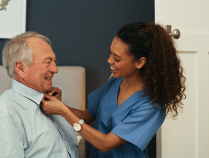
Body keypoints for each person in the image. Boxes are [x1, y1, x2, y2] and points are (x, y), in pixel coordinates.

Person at [41, 22, 186, 158]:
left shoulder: (151, 106)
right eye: (110, 53)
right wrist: (60, 104)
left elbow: (106, 144)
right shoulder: (115, 82)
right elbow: (86, 116)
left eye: (116, 59)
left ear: (140, 62)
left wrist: (62, 111)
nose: (109, 61)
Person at [0, 31, 79, 158]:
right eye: (47, 62)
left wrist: (63, 110)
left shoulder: (54, 103)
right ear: (21, 68)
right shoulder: (6, 110)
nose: (55, 69)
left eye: (54, 61)